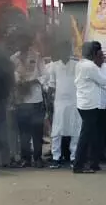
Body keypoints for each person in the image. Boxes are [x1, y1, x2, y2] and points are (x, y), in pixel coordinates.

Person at [73, 42, 106, 173]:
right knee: (86, 135)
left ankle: (90, 163)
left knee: (91, 135)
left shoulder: (80, 64)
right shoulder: (91, 66)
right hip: (90, 105)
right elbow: (101, 80)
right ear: (94, 53)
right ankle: (78, 165)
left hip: (84, 103)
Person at [11, 40, 46, 168]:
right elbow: (10, 77)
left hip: (36, 100)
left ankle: (37, 158)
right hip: (21, 100)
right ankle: (26, 159)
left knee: (37, 131)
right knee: (23, 132)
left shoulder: (37, 57)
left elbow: (45, 76)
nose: (22, 46)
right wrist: (18, 82)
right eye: (20, 44)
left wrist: (34, 81)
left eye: (24, 43)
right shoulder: (13, 59)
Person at [44, 51, 79, 168]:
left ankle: (74, 157)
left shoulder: (76, 65)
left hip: (74, 102)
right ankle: (56, 157)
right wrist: (48, 103)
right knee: (57, 131)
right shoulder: (54, 66)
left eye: (66, 49)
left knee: (74, 129)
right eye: (62, 49)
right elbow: (51, 85)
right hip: (59, 103)